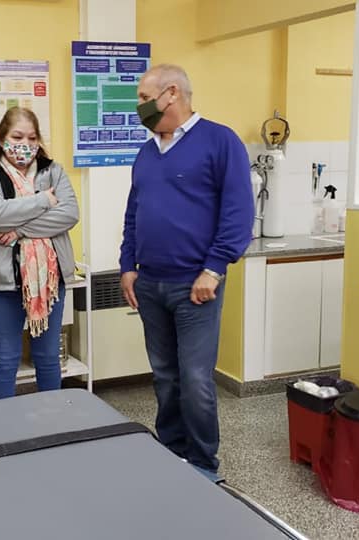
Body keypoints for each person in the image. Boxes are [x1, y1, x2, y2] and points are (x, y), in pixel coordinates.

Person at [119, 64, 254, 483]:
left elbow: (239, 213)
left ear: (171, 93)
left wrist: (213, 270)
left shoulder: (220, 141)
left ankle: (202, 464)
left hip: (196, 285)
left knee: (195, 378)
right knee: (164, 375)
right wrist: (127, 266)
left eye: (144, 97)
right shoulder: (146, 152)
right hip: (151, 283)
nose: (138, 106)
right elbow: (134, 213)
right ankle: (172, 452)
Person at [0, 107, 79, 399]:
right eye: (17, 136)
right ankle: (6, 431)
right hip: (3, 281)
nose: (25, 144)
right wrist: (44, 200)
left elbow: (69, 214)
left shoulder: (52, 170)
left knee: (47, 358)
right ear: (1, 138)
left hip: (49, 281)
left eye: (32, 137)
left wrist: (19, 230)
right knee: (5, 358)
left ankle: (51, 421)